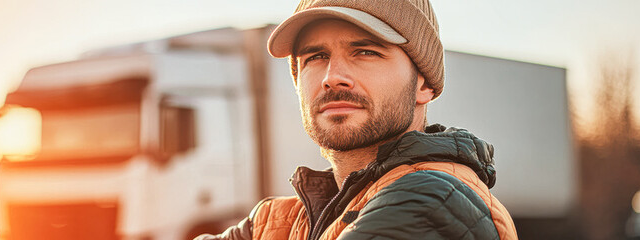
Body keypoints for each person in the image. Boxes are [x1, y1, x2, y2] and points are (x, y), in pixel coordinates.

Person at [196, 0, 518, 239]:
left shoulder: (433, 200)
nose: (332, 77)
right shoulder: (278, 220)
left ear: (424, 83)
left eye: (366, 52)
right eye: (316, 57)